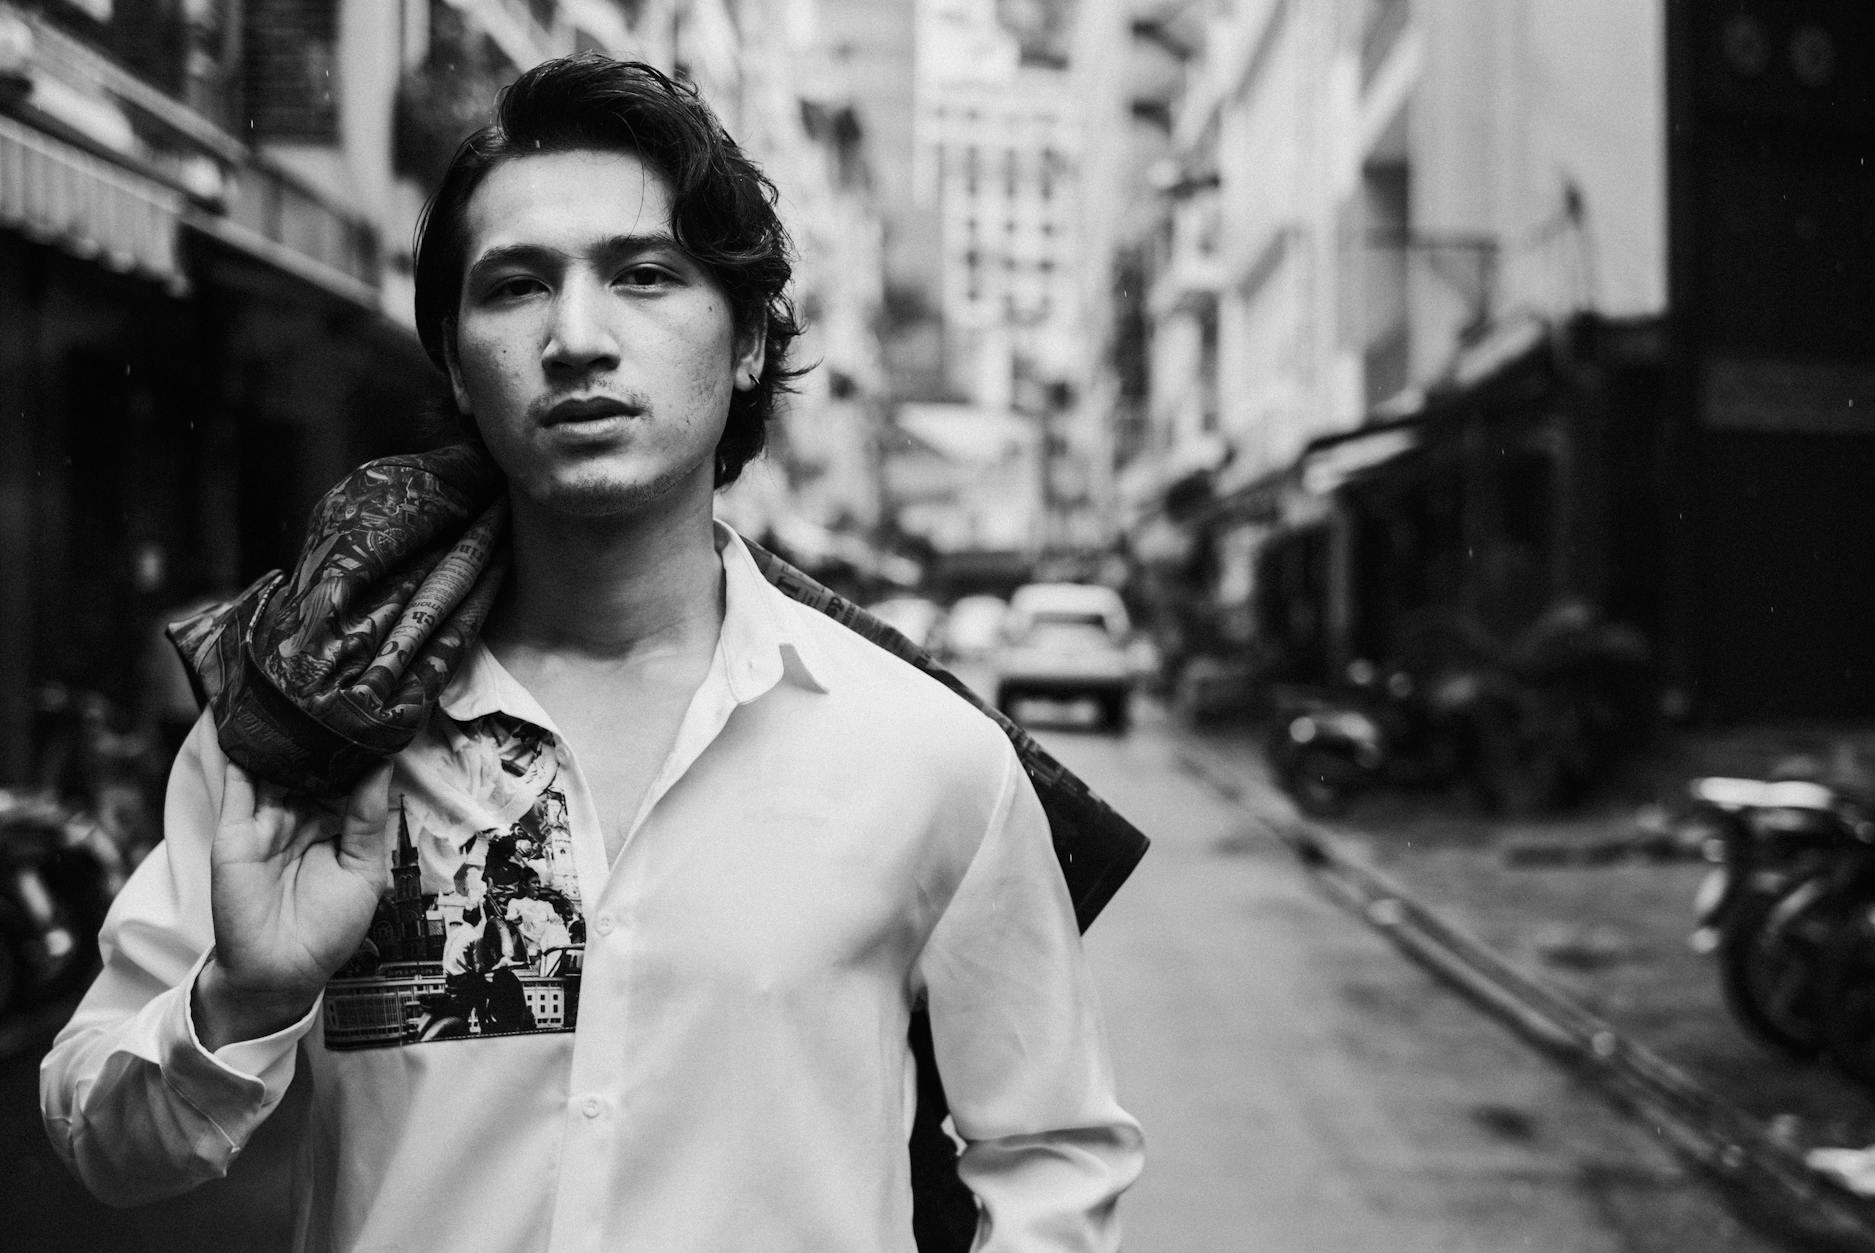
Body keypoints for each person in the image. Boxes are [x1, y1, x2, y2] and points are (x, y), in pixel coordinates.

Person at [40, 54, 1142, 1250]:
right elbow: (101, 1135)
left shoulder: (927, 755)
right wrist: (244, 997)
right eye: (515, 286)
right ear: (458, 365)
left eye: (644, 275)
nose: (576, 336)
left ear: (749, 344)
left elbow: (1049, 1156)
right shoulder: (307, 728)